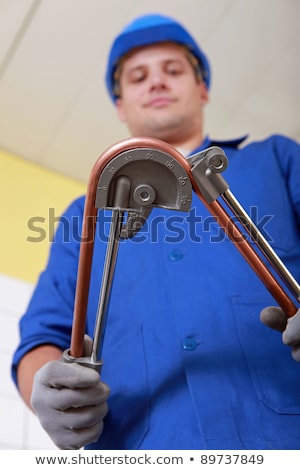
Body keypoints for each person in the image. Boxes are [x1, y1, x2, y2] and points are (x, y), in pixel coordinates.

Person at [11, 13, 300, 450]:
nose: (157, 83)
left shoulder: (277, 160)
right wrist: (53, 396)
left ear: (201, 88)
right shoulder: (85, 212)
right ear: (121, 105)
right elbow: (43, 337)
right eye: (138, 76)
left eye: (173, 70)